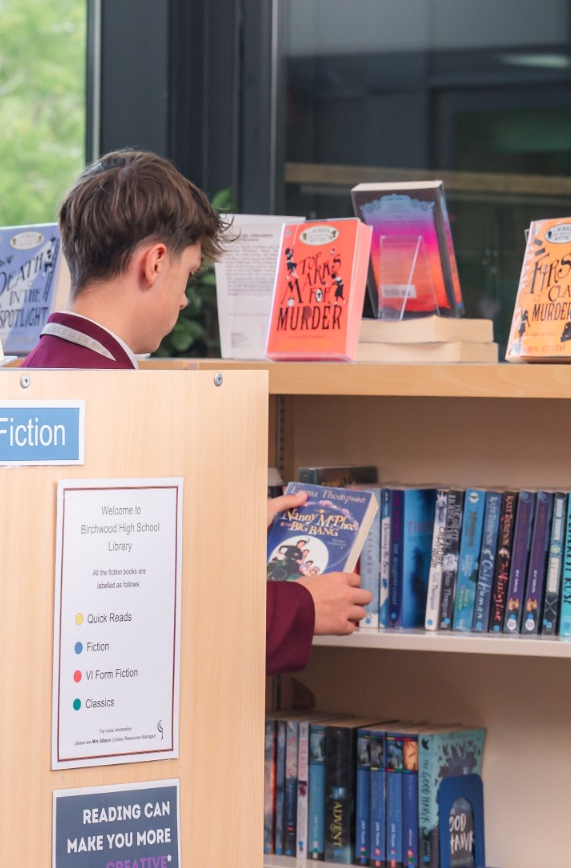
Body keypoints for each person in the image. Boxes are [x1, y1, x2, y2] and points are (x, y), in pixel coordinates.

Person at [21, 149, 371, 674]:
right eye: (187, 275)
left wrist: (224, 528)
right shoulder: (117, 405)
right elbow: (137, 606)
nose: (185, 300)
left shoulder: (34, 376)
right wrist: (299, 606)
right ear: (155, 263)